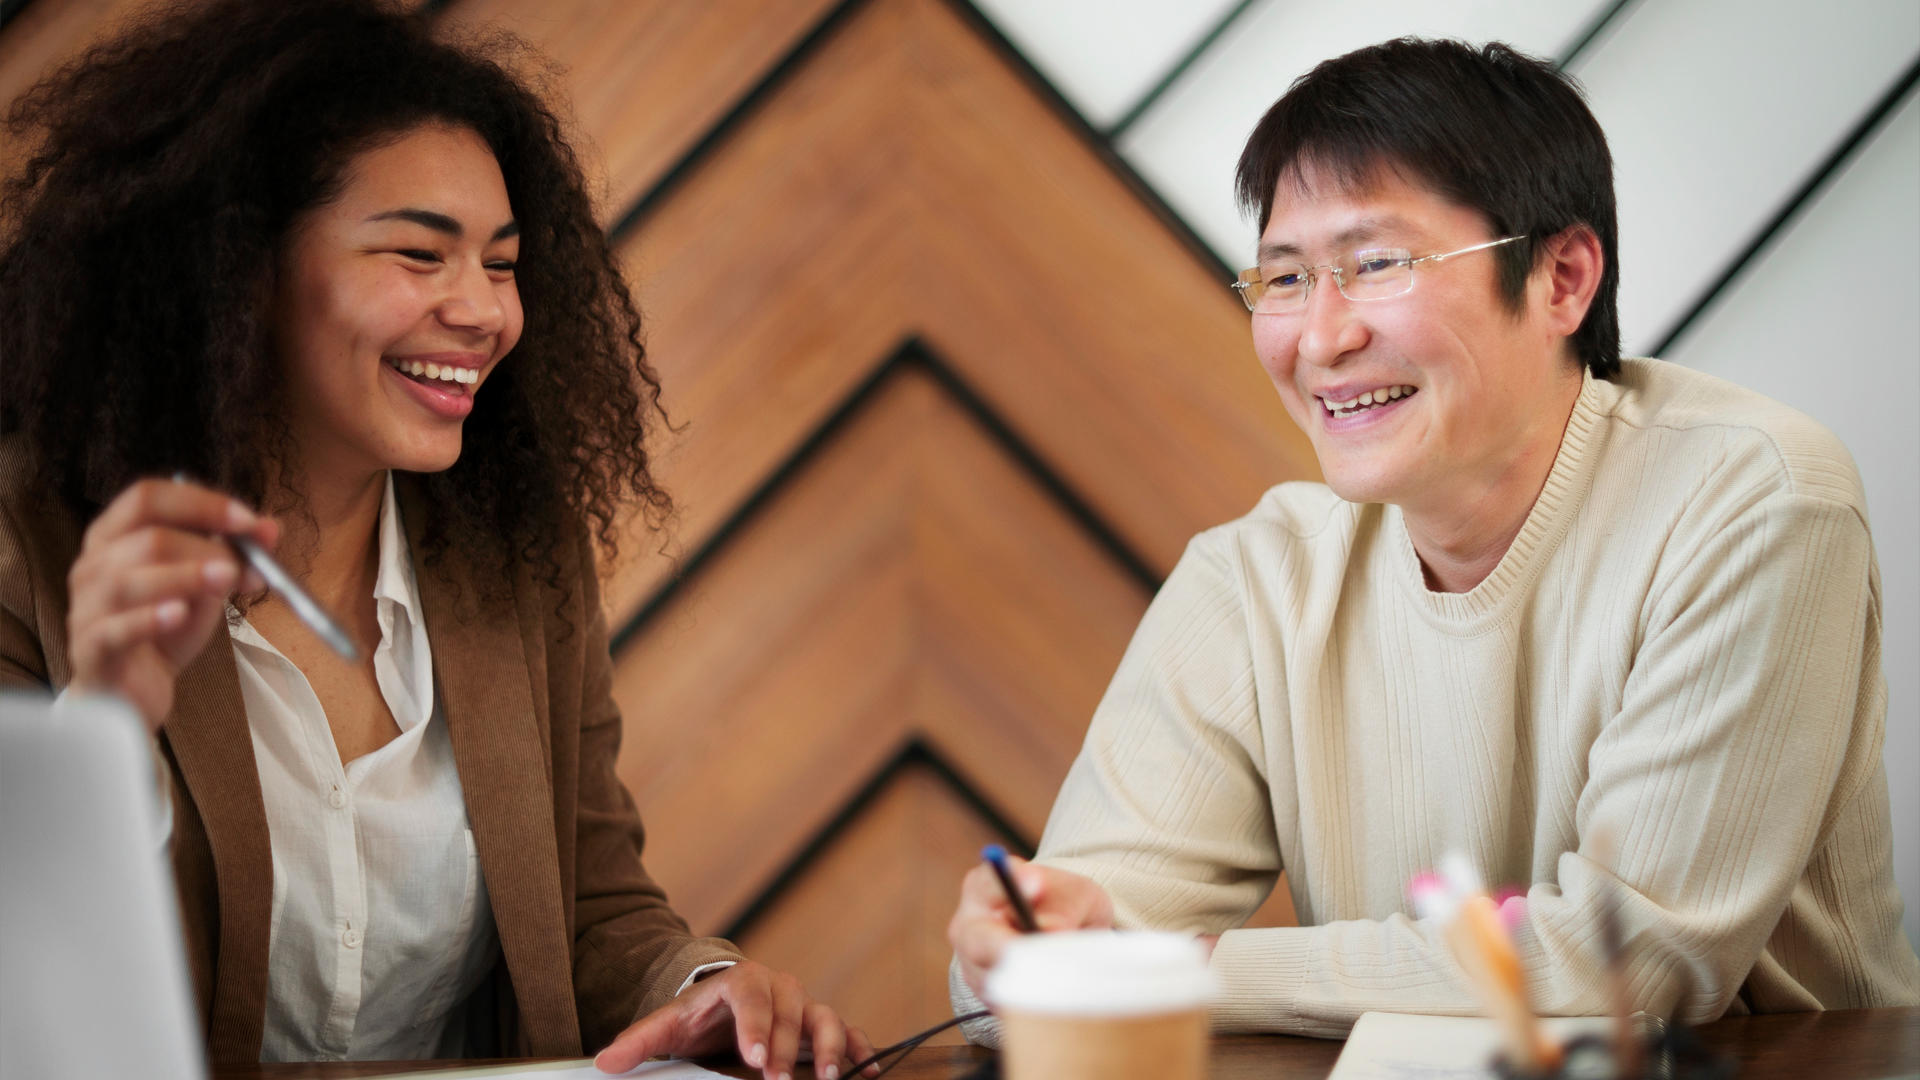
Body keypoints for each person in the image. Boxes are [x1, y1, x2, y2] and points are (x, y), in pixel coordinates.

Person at [946, 37, 1920, 1038]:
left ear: (1562, 279)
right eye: (1284, 279)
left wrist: (1171, 971)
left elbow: (1629, 966)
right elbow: (1020, 986)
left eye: (1376, 264)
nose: (1320, 338)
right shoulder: (1256, 580)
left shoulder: (1753, 501)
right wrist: (1021, 952)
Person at [0, 3, 877, 1077]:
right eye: (421, 254)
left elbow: (592, 905)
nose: (484, 312)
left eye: (502, 265)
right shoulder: (33, 553)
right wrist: (107, 723)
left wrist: (705, 988)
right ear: (241, 270)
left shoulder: (510, 551)